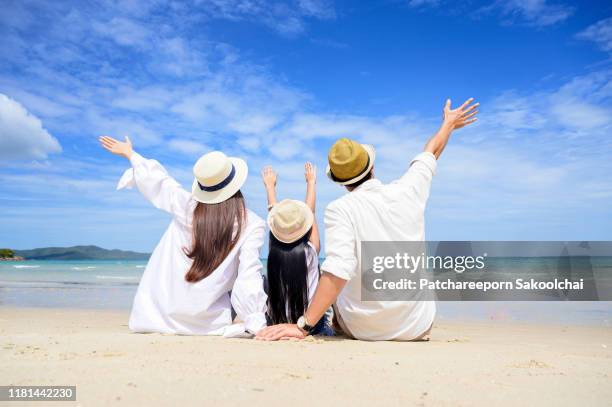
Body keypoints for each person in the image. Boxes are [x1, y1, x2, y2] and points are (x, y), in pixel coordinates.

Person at [256, 98, 479, 341]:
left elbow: (339, 269)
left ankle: (343, 323)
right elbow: (430, 153)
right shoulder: (408, 189)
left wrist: (303, 326)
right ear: (371, 167)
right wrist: (447, 124)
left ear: (341, 181)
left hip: (363, 329)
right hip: (416, 324)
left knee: (342, 290)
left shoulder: (340, 209)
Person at [99, 135, 267, 337]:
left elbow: (161, 183)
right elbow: (249, 274)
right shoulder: (254, 223)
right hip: (208, 322)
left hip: (160, 315)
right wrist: (256, 322)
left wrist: (130, 154)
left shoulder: (186, 205)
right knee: (255, 277)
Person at [261, 162, 333, 336]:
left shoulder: (273, 253)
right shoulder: (311, 251)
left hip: (276, 320)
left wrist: (270, 187)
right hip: (309, 325)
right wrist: (311, 183)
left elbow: (277, 221)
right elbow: (311, 212)